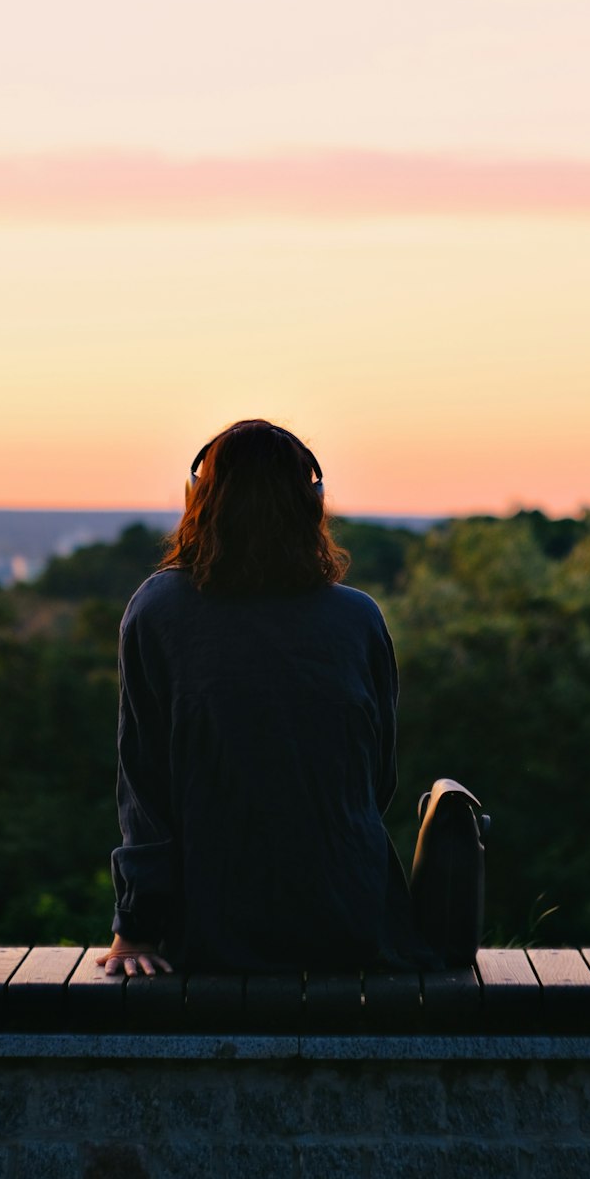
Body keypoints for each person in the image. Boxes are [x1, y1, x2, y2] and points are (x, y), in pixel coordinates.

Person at [98, 419, 438, 978]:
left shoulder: (159, 609)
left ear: (197, 501)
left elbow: (145, 788)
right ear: (314, 505)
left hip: (212, 928)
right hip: (355, 922)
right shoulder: (359, 618)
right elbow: (377, 781)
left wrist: (134, 928)